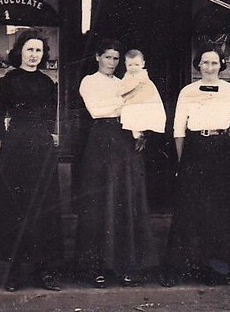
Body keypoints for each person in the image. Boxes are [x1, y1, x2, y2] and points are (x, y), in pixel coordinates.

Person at [162, 46, 230, 287]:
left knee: (221, 209)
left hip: (222, 149)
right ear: (198, 65)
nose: (209, 67)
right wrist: (183, 160)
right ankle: (186, 267)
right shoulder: (188, 92)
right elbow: (178, 128)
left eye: (214, 63)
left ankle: (219, 269)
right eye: (205, 62)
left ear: (221, 65)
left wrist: (224, 147)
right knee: (191, 207)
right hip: (194, 150)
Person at [0, 29, 62, 292]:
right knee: (15, 208)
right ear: (20, 52)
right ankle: (14, 271)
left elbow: (52, 118)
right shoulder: (7, 81)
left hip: (41, 147)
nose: (34, 55)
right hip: (15, 145)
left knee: (43, 206)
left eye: (38, 50)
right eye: (30, 50)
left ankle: (44, 269)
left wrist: (49, 137)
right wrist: (2, 145)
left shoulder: (47, 83)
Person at [75, 39, 157, 287]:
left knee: (123, 199)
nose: (111, 62)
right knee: (100, 201)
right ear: (97, 57)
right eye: (107, 57)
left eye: (116, 58)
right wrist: (129, 100)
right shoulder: (89, 81)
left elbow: (140, 108)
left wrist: (139, 132)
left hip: (124, 141)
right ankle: (95, 267)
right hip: (101, 140)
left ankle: (124, 265)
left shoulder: (122, 82)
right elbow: (98, 110)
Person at [118, 49, 167, 146]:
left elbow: (134, 86)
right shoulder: (127, 75)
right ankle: (138, 135)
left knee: (141, 116)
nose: (133, 68)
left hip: (144, 100)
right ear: (125, 64)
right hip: (133, 101)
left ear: (143, 64)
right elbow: (123, 86)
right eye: (130, 65)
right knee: (131, 118)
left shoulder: (142, 75)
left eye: (136, 65)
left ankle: (140, 135)